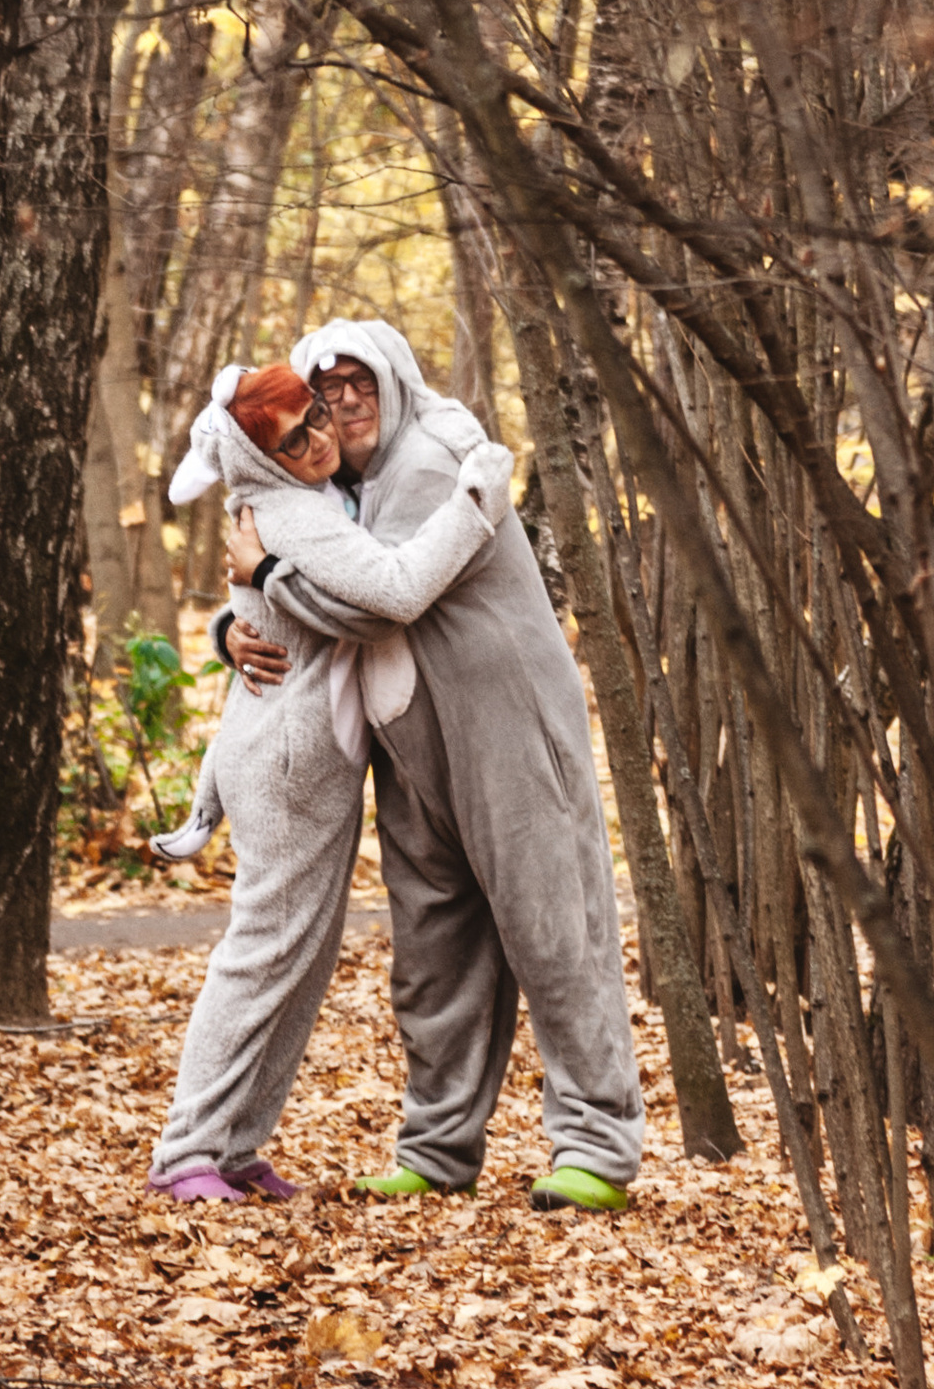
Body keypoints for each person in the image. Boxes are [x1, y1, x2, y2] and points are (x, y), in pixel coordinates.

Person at [222, 317, 645, 1213]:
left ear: (395, 379)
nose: (344, 401)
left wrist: (267, 576)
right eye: (325, 390)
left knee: (552, 931)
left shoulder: (426, 463)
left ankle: (598, 1146)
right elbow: (315, 572)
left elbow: (381, 602)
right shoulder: (333, 489)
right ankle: (438, 1146)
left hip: (507, 732)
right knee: (433, 952)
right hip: (415, 750)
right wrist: (235, 620)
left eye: (360, 382)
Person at [145, 362, 513, 1203]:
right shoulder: (289, 514)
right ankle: (186, 1149)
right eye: (293, 439)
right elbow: (395, 591)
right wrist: (475, 501)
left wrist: (232, 620)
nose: (317, 439)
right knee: (263, 954)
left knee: (301, 961)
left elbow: (286, 609)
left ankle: (235, 1144)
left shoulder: (304, 502)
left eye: (316, 417)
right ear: (259, 458)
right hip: (283, 766)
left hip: (301, 761)